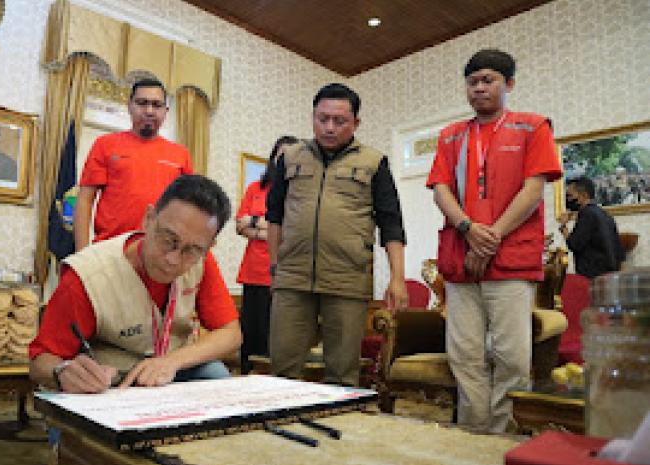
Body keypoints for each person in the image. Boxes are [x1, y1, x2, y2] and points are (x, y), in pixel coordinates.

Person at [426, 49, 562, 433]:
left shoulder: (533, 127)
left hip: (510, 258)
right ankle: (473, 432)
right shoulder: (451, 135)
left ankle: (502, 435)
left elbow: (533, 190)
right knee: (464, 354)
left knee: (511, 356)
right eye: (472, 82)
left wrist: (491, 237)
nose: (479, 88)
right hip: (460, 254)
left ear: (509, 83)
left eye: (489, 80)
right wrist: (468, 228)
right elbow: (440, 189)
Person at [29, 174, 242, 393]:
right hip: (110, 379)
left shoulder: (202, 262)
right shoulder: (87, 276)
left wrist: (172, 361)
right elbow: (40, 362)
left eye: (192, 250)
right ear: (148, 219)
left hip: (171, 369)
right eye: (168, 240)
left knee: (215, 373)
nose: (173, 259)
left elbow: (231, 334)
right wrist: (62, 372)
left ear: (208, 247)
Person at [266, 83, 408, 387]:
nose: (329, 127)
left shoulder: (374, 162)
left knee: (342, 375)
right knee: (282, 370)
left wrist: (397, 278)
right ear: (313, 118)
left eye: (339, 121)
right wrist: (276, 265)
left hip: (347, 280)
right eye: (322, 119)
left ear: (356, 122)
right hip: (292, 279)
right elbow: (274, 215)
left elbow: (391, 222)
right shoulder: (290, 157)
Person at [74, 77, 193, 251]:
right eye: (142, 103)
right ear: (129, 106)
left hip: (158, 253)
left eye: (157, 105)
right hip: (110, 249)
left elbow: (187, 209)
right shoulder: (105, 144)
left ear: (165, 111)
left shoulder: (181, 155)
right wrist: (82, 253)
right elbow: (85, 199)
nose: (149, 111)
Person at [236, 135, 298, 374]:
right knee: (250, 332)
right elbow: (240, 225)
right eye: (281, 155)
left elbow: (292, 232)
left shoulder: (298, 192)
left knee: (274, 335)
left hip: (284, 272)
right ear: (273, 158)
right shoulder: (255, 188)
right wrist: (270, 228)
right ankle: (245, 378)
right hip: (253, 271)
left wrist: (256, 225)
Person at [558, 176, 624, 278]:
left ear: (584, 195)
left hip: (594, 275)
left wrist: (563, 226)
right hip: (610, 273)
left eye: (570, 196)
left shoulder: (587, 214)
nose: (568, 200)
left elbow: (574, 244)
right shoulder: (604, 213)